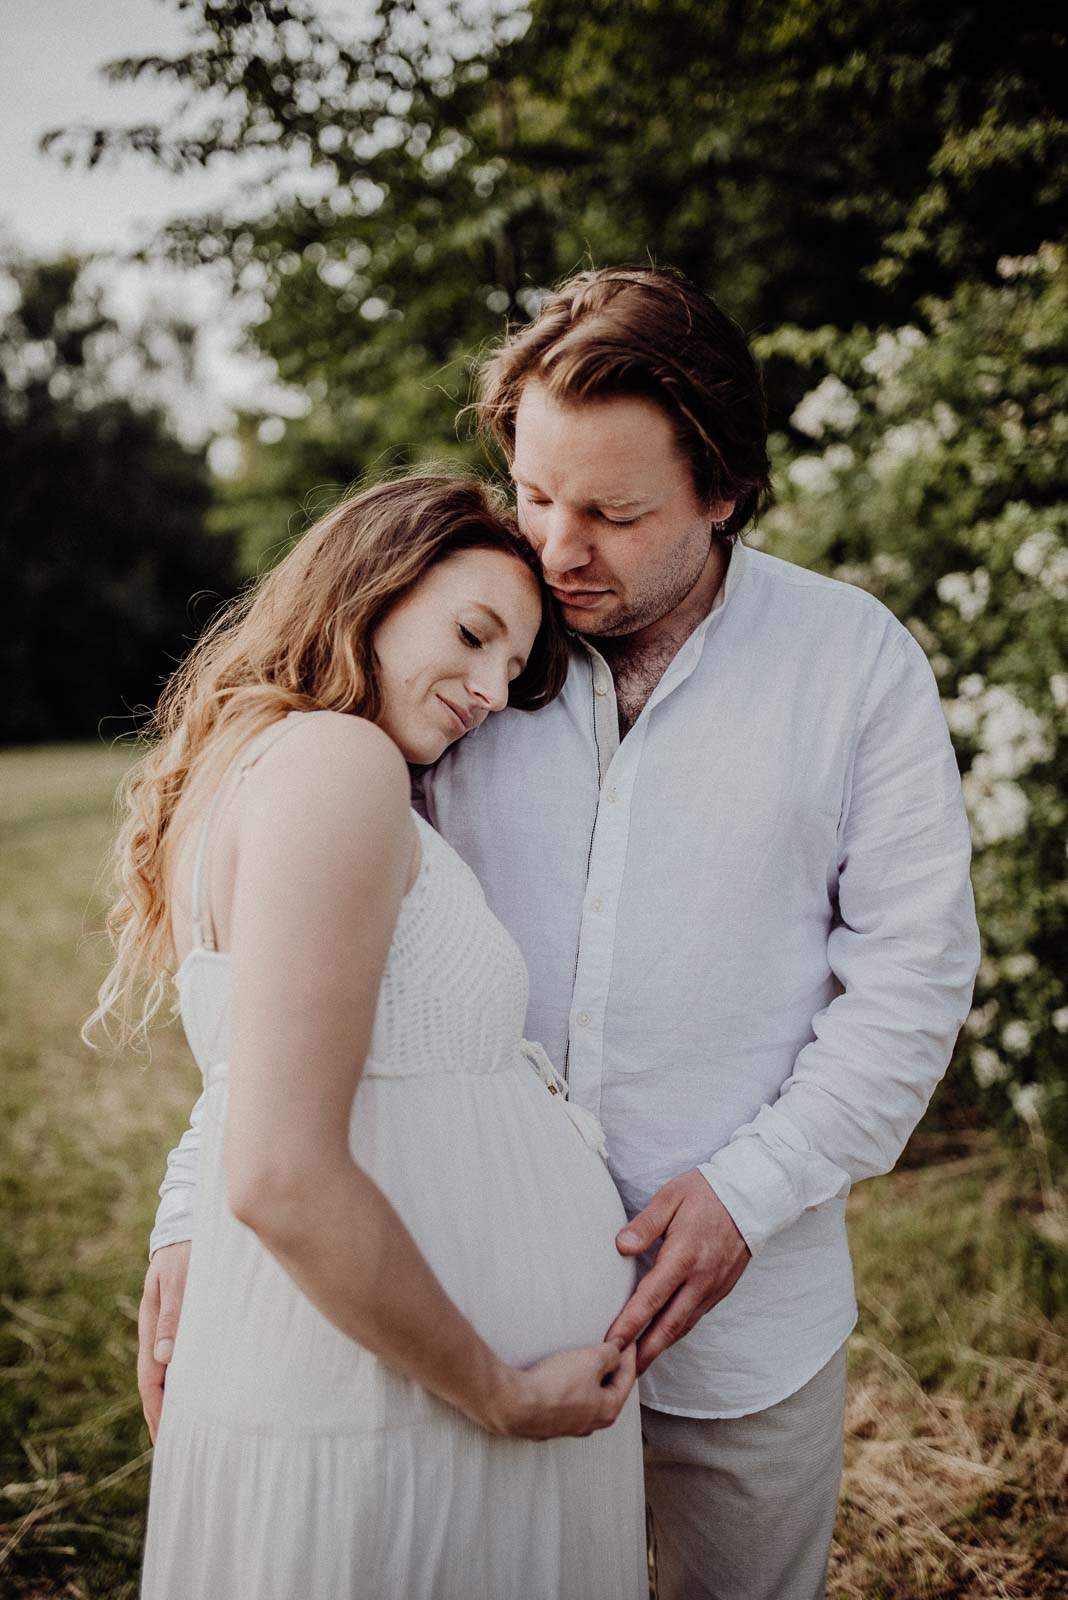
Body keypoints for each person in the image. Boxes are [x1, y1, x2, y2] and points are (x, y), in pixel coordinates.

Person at [143, 268, 982, 1600]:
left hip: (733, 1325)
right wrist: (194, 1209)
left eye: (615, 511)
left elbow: (911, 981)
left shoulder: (854, 664)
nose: (560, 544)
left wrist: (750, 1198)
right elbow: (303, 977)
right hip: (471, 1325)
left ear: (722, 492)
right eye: (536, 494)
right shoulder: (469, 660)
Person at [91, 472, 649, 1600]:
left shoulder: (268, 763)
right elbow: (285, 1172)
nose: (493, 689)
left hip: (373, 1385)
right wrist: (497, 1390)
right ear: (372, 584)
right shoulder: (334, 765)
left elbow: (261, 1072)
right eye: (474, 634)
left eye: (513, 667)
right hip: (401, 1405)